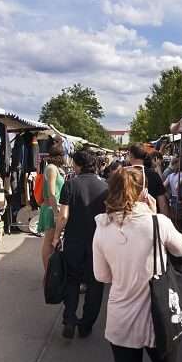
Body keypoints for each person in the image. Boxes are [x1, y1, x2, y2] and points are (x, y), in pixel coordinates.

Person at [93, 166, 182, 362]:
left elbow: (102, 276)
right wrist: (154, 215)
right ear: (143, 192)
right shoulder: (158, 222)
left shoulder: (102, 227)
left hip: (122, 318)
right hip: (160, 315)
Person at [53, 151, 108, 339]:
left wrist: (55, 237)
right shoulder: (105, 186)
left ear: (78, 165)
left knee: (72, 280)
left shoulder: (70, 184)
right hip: (98, 243)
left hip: (74, 241)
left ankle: (69, 318)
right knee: (95, 284)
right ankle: (86, 324)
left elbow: (64, 216)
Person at [38, 143, 65, 272]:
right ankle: (48, 272)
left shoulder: (54, 168)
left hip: (53, 207)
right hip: (51, 208)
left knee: (52, 241)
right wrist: (55, 212)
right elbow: (52, 192)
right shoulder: (52, 169)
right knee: (49, 241)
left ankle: (50, 271)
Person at [127, 144, 169, 216]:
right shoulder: (154, 175)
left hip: (129, 219)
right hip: (151, 219)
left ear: (131, 155)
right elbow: (163, 204)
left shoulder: (123, 175)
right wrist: (165, 222)